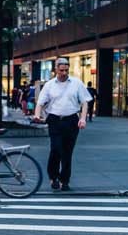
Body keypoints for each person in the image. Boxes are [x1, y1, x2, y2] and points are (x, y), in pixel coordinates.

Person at [34, 57, 91, 192]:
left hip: (71, 120)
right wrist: (37, 115)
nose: (64, 73)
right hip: (54, 120)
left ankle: (64, 180)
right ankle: (53, 177)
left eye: (66, 70)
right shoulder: (49, 85)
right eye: (61, 70)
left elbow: (84, 102)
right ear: (56, 70)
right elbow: (40, 103)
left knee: (67, 152)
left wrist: (82, 119)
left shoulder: (76, 83)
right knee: (56, 148)